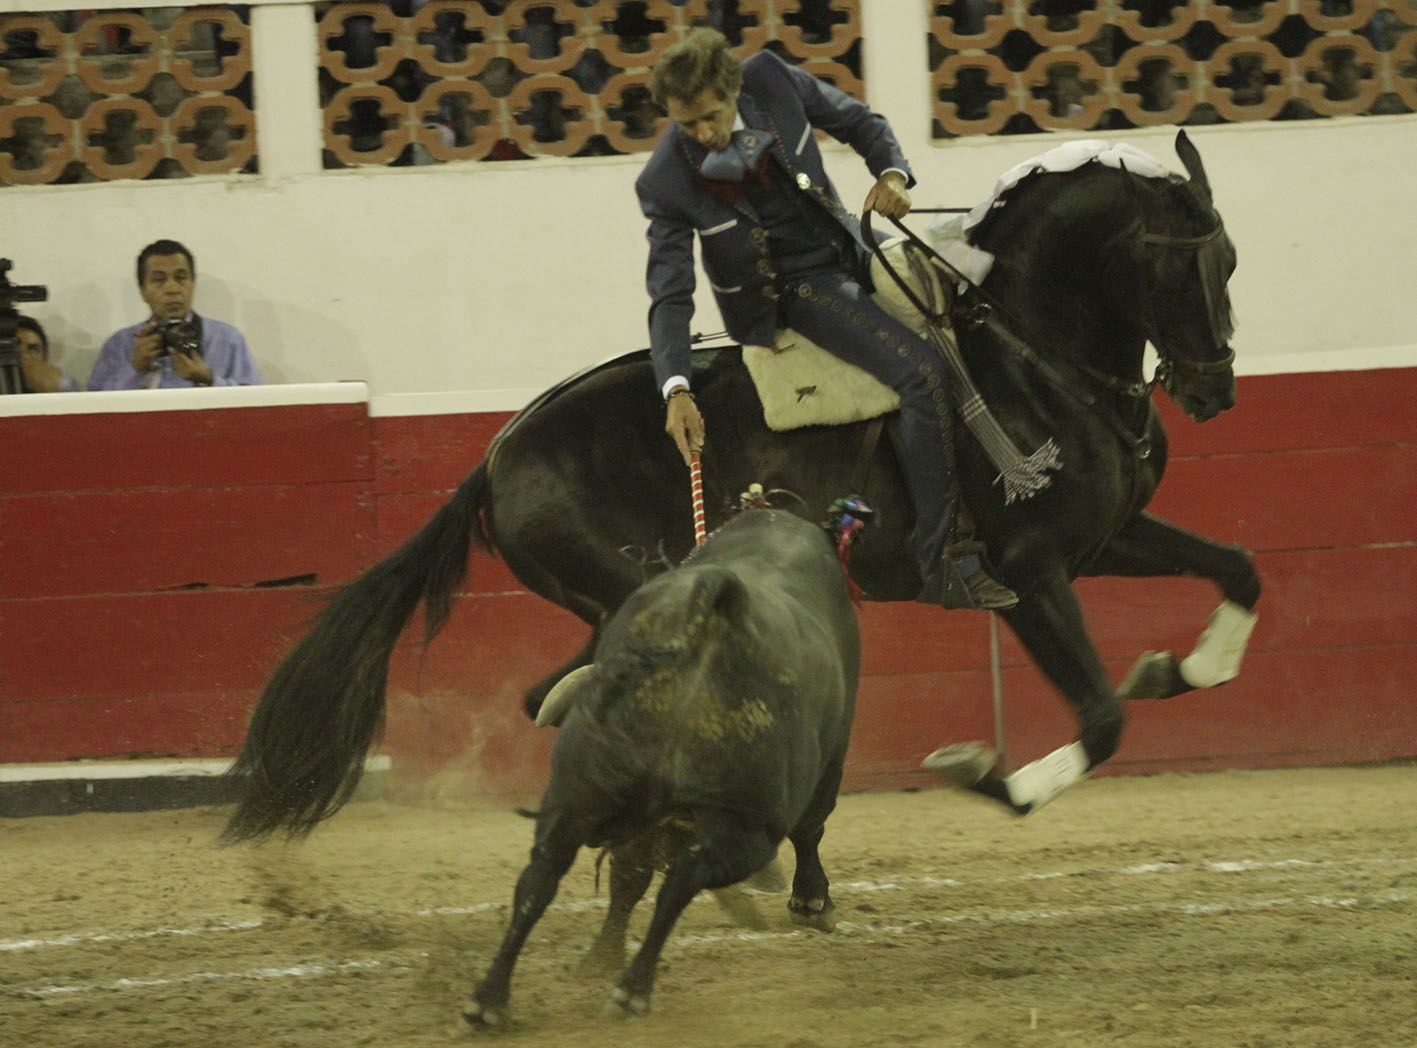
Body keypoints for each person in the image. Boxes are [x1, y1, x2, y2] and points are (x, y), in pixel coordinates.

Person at [636, 29, 1017, 610]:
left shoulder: (769, 76)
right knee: (922, 375)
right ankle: (943, 561)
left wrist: (891, 175)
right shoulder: (665, 178)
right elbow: (670, 293)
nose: (704, 134)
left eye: (711, 117)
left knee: (977, 295)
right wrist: (676, 386)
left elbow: (861, 122)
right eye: (687, 125)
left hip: (854, 244)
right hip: (793, 290)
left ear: (734, 89)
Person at [87, 239, 262, 390]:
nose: (172, 289)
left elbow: (255, 402)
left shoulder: (228, 340)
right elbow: (93, 407)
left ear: (193, 284)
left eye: (181, 278)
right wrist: (134, 367)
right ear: (142, 291)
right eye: (159, 280)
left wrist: (208, 379)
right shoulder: (120, 344)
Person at [13, 316, 80, 393]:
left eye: (33, 349)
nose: (22, 354)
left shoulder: (61, 383)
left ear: (44, 356)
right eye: (15, 345)